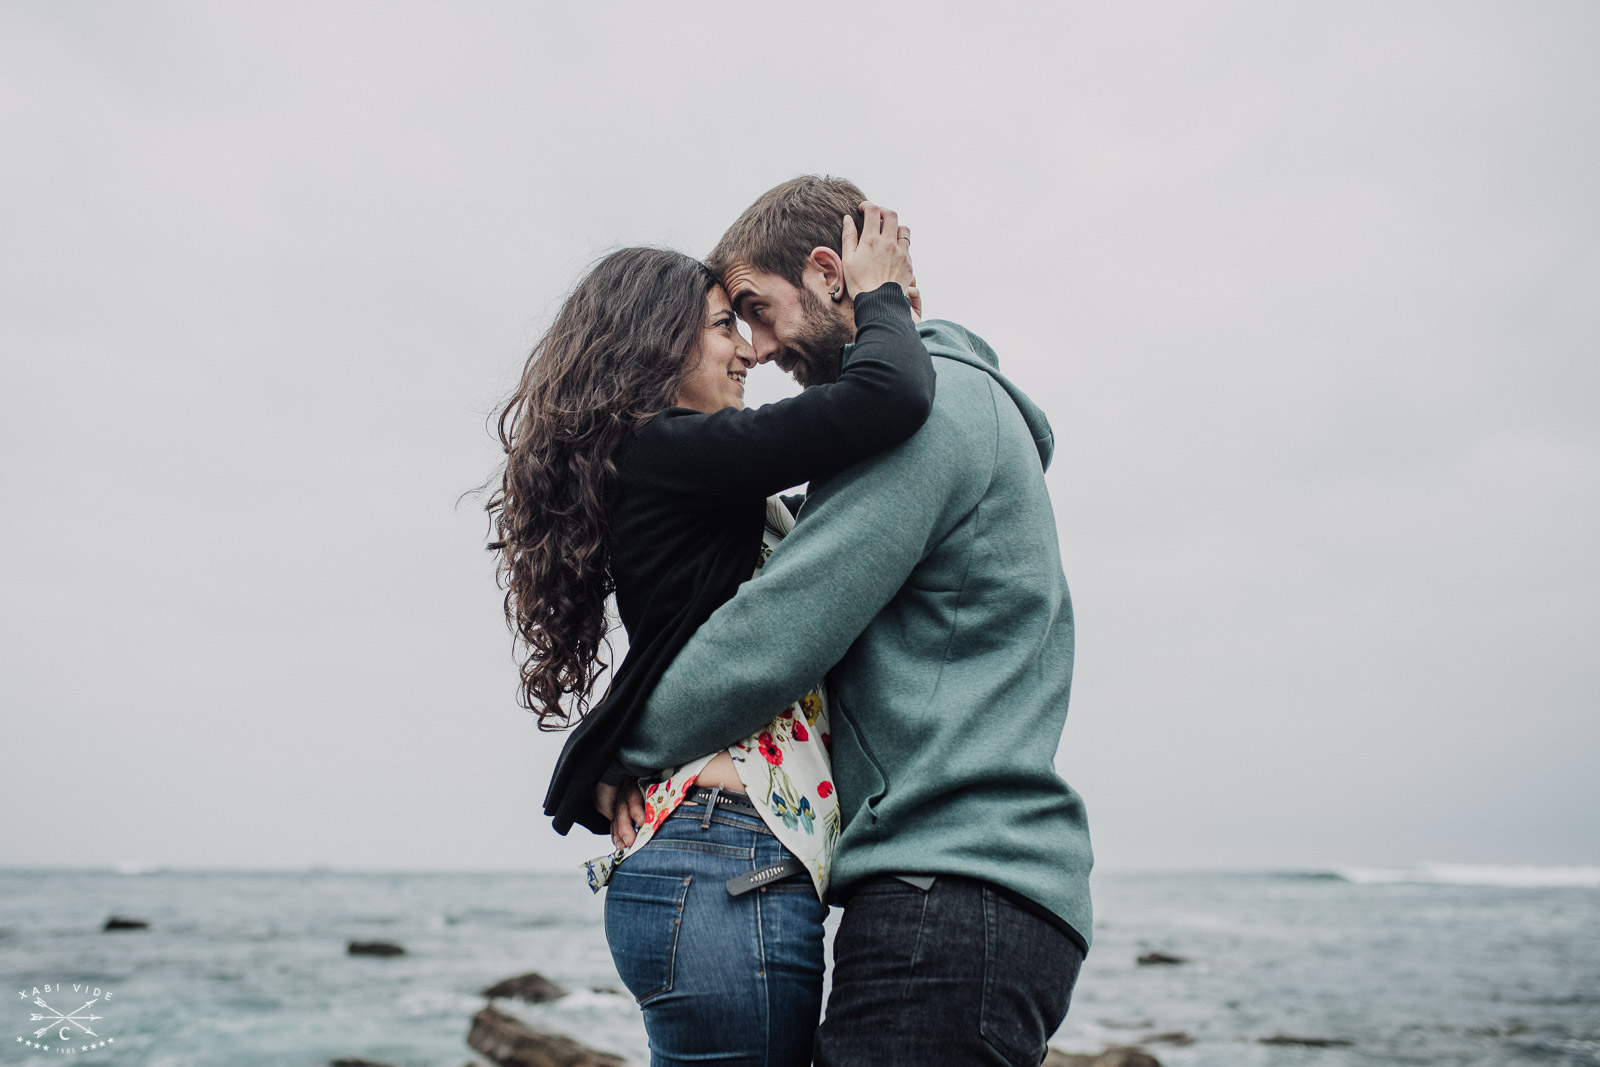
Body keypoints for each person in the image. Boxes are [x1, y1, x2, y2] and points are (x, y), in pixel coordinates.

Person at [614, 175, 1094, 1067]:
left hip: (950, 887)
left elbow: (776, 632)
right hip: (976, 887)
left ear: (832, 273)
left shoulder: (931, 412)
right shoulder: (960, 409)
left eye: (756, 309)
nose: (757, 348)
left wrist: (616, 753)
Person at [486, 206, 929, 1067]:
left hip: (717, 865)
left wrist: (611, 757)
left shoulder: (675, 472)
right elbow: (888, 398)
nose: (748, 350)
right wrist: (879, 297)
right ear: (656, 344)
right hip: (725, 861)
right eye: (727, 324)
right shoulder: (669, 451)